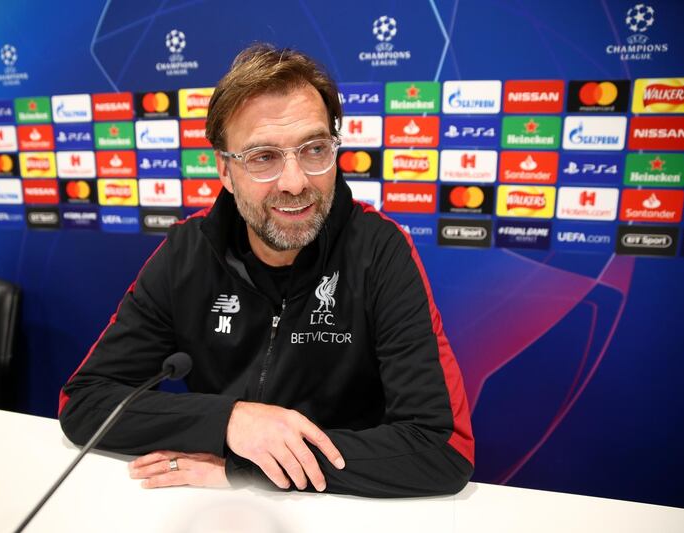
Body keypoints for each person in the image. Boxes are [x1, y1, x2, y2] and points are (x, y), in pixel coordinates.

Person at [59, 43, 474, 497]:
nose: (295, 182)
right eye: (263, 158)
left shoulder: (380, 250)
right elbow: (85, 402)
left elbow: (441, 448)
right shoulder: (186, 252)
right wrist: (230, 421)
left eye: (314, 149)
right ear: (224, 170)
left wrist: (247, 469)